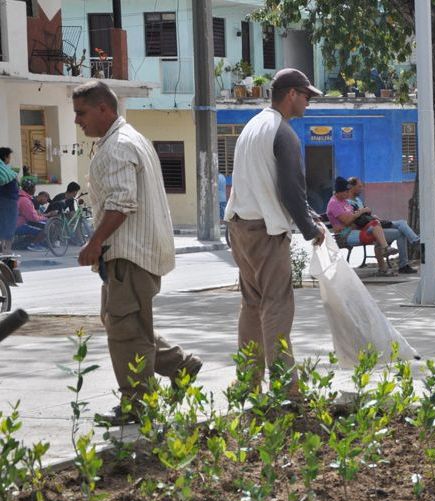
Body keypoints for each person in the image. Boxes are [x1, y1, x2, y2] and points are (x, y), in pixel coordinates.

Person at [72, 80, 202, 424]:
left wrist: (94, 242)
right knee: (123, 321)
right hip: (133, 252)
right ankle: (180, 365)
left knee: (126, 329)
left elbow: (121, 203)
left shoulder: (118, 146)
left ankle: (138, 404)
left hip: (130, 253)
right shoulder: (127, 138)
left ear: (104, 109)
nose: (77, 121)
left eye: (81, 113)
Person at [224, 68, 326, 382]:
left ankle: (249, 384)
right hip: (266, 233)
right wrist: (311, 230)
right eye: (306, 96)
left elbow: (268, 182)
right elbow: (290, 189)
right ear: (291, 94)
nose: (308, 103)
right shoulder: (284, 133)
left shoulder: (253, 126)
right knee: (278, 306)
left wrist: (308, 214)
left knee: (252, 306)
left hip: (240, 228)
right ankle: (285, 387)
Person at [346, 176, 419, 274]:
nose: (361, 189)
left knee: (402, 224)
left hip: (373, 223)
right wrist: (365, 211)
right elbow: (354, 220)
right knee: (400, 230)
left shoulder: (358, 200)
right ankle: (407, 258)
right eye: (359, 186)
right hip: (369, 229)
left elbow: (365, 216)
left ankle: (414, 243)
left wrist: (371, 215)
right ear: (352, 187)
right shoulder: (347, 203)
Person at [326, 176, 397, 275]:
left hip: (355, 230)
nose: (348, 193)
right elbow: (347, 221)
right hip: (345, 235)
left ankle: (385, 254)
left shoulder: (343, 201)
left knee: (376, 224)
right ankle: (383, 264)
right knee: (378, 235)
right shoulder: (334, 204)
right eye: (346, 191)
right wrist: (361, 212)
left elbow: (352, 218)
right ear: (339, 192)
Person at [14, 179, 48, 251]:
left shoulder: (19, 196)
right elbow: (33, 218)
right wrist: (44, 218)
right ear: (30, 189)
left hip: (14, 223)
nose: (35, 189)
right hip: (19, 224)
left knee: (42, 224)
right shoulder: (25, 200)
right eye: (34, 187)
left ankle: (27, 243)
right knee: (47, 226)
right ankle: (34, 245)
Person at [0, 147, 19, 255]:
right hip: (9, 201)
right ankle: (7, 250)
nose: (10, 159)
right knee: (10, 225)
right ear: (5, 157)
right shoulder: (7, 172)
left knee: (2, 224)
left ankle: (2, 248)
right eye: (9, 156)